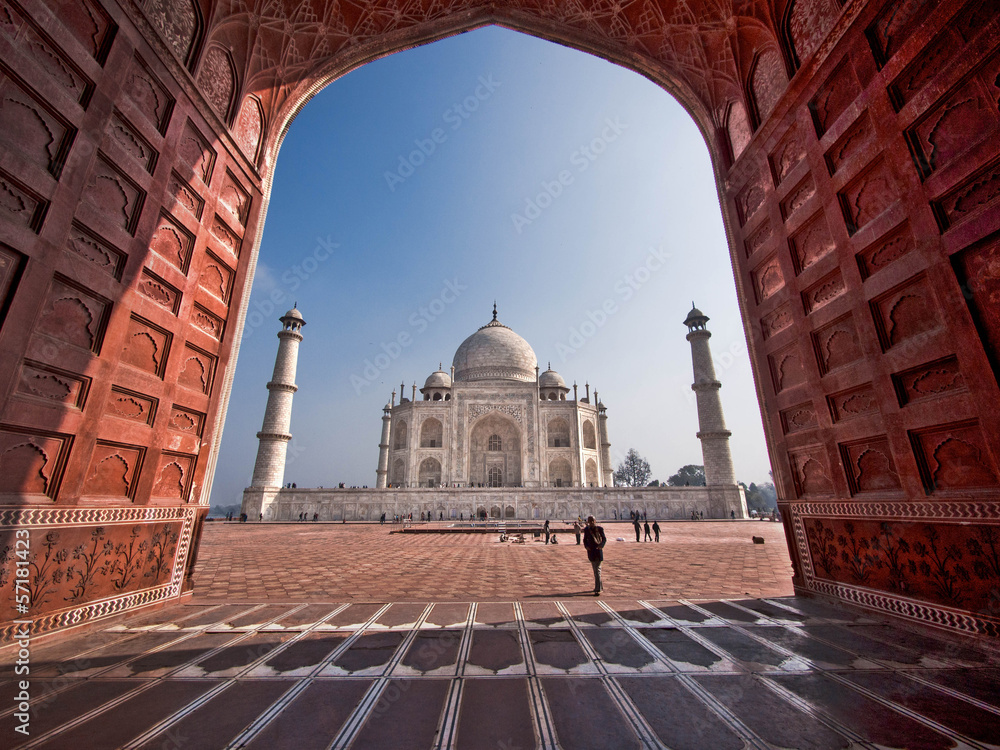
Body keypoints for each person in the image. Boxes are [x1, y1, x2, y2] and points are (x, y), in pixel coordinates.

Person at [582, 515, 606, 595]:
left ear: (595, 521)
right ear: (588, 522)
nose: (591, 522)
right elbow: (585, 540)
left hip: (598, 552)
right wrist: (586, 547)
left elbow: (604, 539)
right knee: (596, 571)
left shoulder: (599, 529)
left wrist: (601, 545)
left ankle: (598, 589)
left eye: (592, 520)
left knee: (597, 571)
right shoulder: (587, 530)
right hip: (591, 552)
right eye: (590, 521)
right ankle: (600, 586)